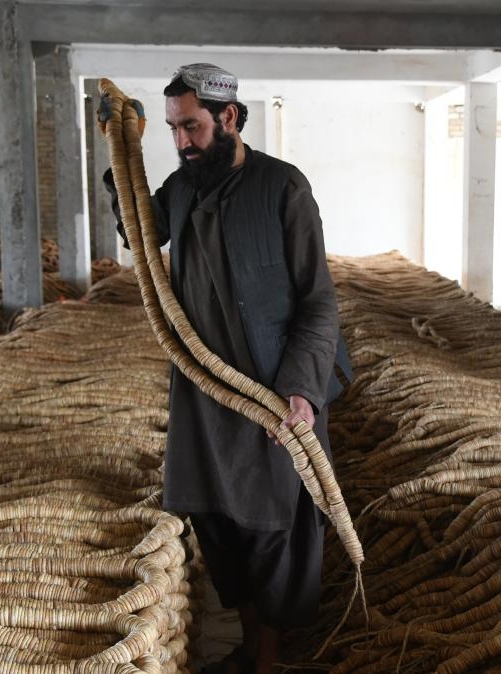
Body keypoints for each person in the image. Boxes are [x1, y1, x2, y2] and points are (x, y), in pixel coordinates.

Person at [105, 63, 352, 674]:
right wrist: (120, 158)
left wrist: (300, 390)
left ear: (230, 117)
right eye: (172, 130)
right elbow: (143, 233)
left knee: (273, 522)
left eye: (191, 127)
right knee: (217, 518)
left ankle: (268, 658)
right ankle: (248, 645)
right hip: (203, 390)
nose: (182, 141)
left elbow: (318, 297)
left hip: (270, 387)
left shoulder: (283, 188)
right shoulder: (184, 186)